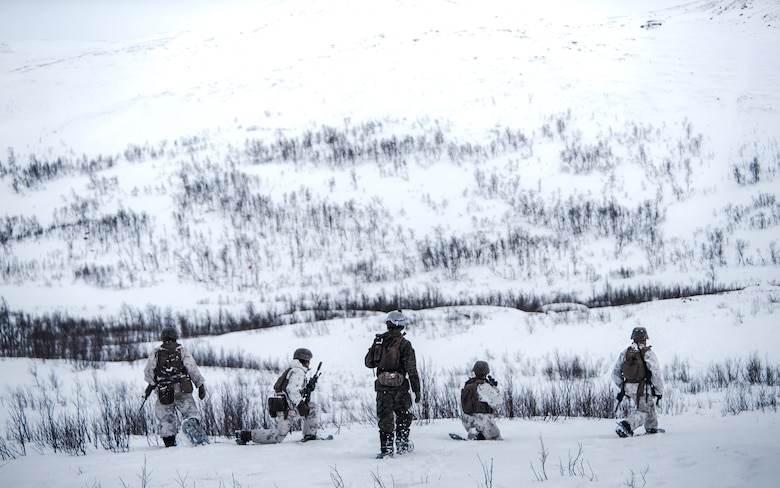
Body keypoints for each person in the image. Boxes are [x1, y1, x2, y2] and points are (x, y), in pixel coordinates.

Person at [364, 310, 421, 458]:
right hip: (400, 388)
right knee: (403, 416)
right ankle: (402, 445)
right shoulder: (405, 344)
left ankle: (386, 450)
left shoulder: (379, 341)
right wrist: (417, 390)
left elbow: (368, 363)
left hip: (382, 388)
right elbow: (412, 370)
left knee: (385, 419)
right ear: (402, 326)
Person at [235, 348, 320, 444]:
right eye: (309, 361)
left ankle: (310, 435)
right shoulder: (298, 371)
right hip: (287, 408)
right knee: (278, 436)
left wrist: (307, 389)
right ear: (305, 360)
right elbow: (291, 390)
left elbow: (290, 389)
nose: (309, 363)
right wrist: (301, 405)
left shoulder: (293, 370)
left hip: (287, 405)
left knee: (312, 407)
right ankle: (245, 435)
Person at [143, 326, 207, 447]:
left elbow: (149, 371)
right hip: (182, 388)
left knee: (166, 418)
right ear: (175, 337)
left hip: (164, 390)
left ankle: (169, 442)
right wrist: (200, 385)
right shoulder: (182, 350)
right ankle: (191, 425)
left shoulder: (156, 352)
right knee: (190, 412)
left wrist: (150, 386)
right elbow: (192, 368)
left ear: (163, 338)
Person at [612, 326, 665, 437]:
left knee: (648, 406)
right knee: (643, 411)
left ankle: (651, 429)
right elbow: (656, 373)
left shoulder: (626, 352)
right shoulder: (647, 353)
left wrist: (623, 387)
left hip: (628, 386)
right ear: (645, 338)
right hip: (643, 387)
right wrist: (659, 390)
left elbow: (615, 373)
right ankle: (626, 426)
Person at [460, 360, 502, 440]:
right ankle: (481, 435)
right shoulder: (485, 386)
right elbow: (498, 402)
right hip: (484, 419)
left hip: (467, 419)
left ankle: (475, 432)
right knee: (496, 437)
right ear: (487, 372)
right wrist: (494, 388)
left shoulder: (468, 384)